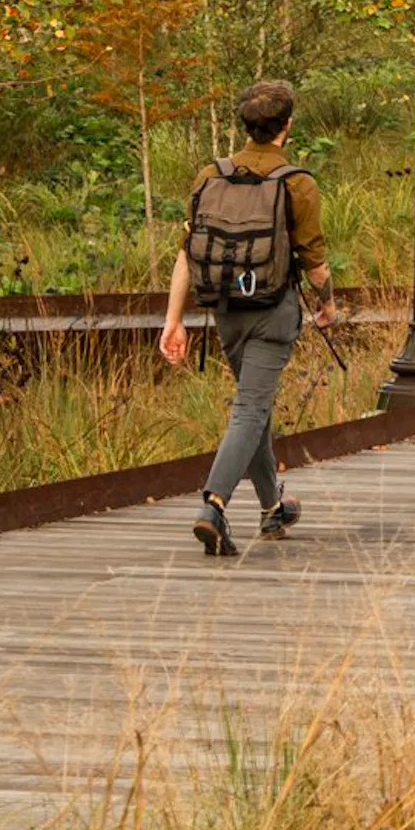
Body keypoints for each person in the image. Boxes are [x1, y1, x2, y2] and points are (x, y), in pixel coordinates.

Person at [159, 77, 339, 556]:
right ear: (287, 126)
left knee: (252, 407)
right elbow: (315, 261)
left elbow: (186, 255)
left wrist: (173, 319)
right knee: (250, 409)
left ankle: (271, 508)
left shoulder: (208, 176)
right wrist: (328, 305)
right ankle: (213, 505)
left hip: (225, 312)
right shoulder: (296, 183)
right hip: (272, 312)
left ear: (247, 126)